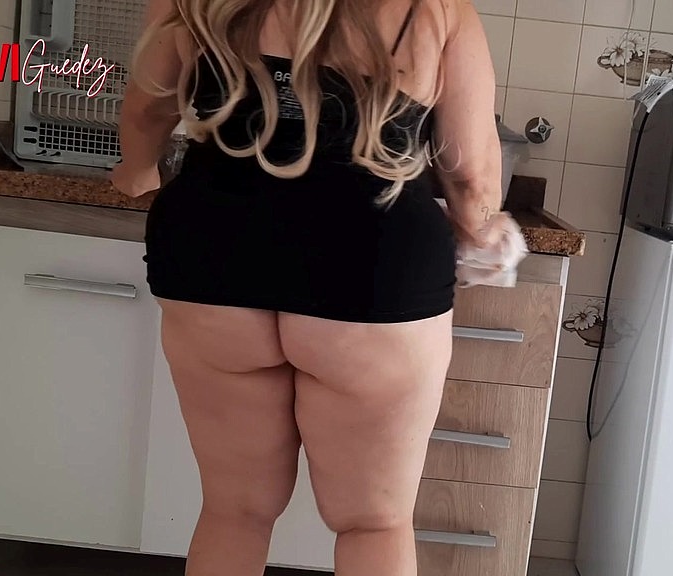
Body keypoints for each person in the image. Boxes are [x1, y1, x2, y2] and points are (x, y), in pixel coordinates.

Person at [110, 1, 507, 574]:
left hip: (215, 249)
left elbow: (148, 108)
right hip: (375, 263)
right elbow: (471, 177)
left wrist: (136, 171)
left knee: (233, 511)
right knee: (374, 522)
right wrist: (483, 232)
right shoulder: (438, 9)